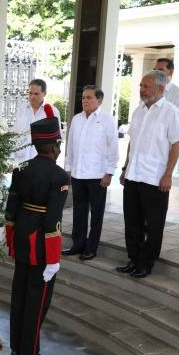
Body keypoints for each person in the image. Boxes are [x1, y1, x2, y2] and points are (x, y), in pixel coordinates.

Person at [5, 113, 68, 355]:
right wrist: (53, 259)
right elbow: (53, 221)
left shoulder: (20, 170)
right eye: (59, 143)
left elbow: (11, 211)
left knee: (19, 295)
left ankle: (15, 349)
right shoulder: (59, 176)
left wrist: (10, 240)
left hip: (21, 239)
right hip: (41, 245)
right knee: (37, 301)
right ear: (54, 146)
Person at [116, 70, 179, 278]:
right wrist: (125, 168)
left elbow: (177, 145)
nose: (141, 90)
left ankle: (146, 263)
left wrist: (168, 175)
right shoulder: (138, 111)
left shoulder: (171, 112)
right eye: (141, 86)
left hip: (155, 179)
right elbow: (132, 143)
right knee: (132, 222)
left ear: (160, 88)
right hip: (133, 176)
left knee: (154, 225)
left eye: (146, 86)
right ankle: (133, 259)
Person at [62, 86, 118, 260]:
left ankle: (91, 248)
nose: (85, 100)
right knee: (79, 212)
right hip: (78, 174)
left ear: (99, 100)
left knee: (96, 214)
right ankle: (77, 244)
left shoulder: (107, 120)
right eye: (83, 98)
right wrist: (68, 169)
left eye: (89, 98)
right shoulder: (77, 119)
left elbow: (113, 148)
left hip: (97, 176)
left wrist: (109, 173)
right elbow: (70, 147)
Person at [12, 79, 61, 165]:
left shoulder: (53, 111)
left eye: (36, 94)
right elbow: (14, 135)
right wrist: (11, 158)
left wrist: (52, 161)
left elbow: (57, 139)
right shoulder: (21, 109)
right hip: (21, 160)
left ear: (44, 93)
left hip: (42, 161)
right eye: (30, 93)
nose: (32, 97)